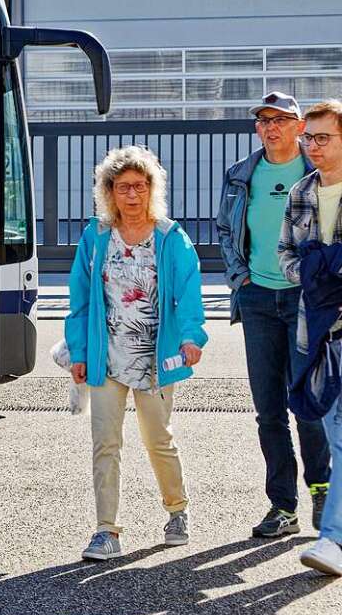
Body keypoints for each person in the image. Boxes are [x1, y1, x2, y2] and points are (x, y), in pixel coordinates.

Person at [66, 146, 207, 561]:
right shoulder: (95, 236)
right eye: (123, 187)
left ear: (151, 190)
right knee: (104, 443)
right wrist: (79, 350)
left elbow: (189, 292)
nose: (132, 195)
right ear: (109, 191)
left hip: (155, 358)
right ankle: (106, 531)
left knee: (157, 439)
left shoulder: (169, 236)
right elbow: (80, 299)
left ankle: (177, 510)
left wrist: (191, 338)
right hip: (106, 357)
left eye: (140, 186)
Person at [216, 90, 331, 539]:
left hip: (306, 302)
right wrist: (239, 278)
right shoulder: (241, 175)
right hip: (259, 299)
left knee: (308, 404)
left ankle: (322, 489)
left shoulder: (318, 173)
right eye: (264, 120)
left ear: (299, 127)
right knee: (268, 411)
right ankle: (282, 507)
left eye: (281, 119)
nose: (271, 127)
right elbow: (226, 227)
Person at [278, 99, 342, 575]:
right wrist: (312, 271)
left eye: (323, 137)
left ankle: (333, 539)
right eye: (310, 138)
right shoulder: (300, 192)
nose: (312, 146)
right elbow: (284, 253)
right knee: (335, 434)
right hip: (319, 333)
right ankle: (334, 541)